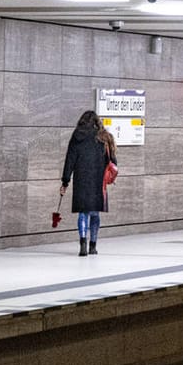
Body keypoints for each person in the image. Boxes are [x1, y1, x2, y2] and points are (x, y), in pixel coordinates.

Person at [60, 110, 118, 257]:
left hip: (81, 180)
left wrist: (65, 181)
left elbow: (70, 159)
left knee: (83, 213)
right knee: (95, 213)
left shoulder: (77, 136)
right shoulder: (104, 137)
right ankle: (93, 246)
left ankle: (83, 245)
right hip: (98, 181)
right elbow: (113, 161)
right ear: (97, 122)